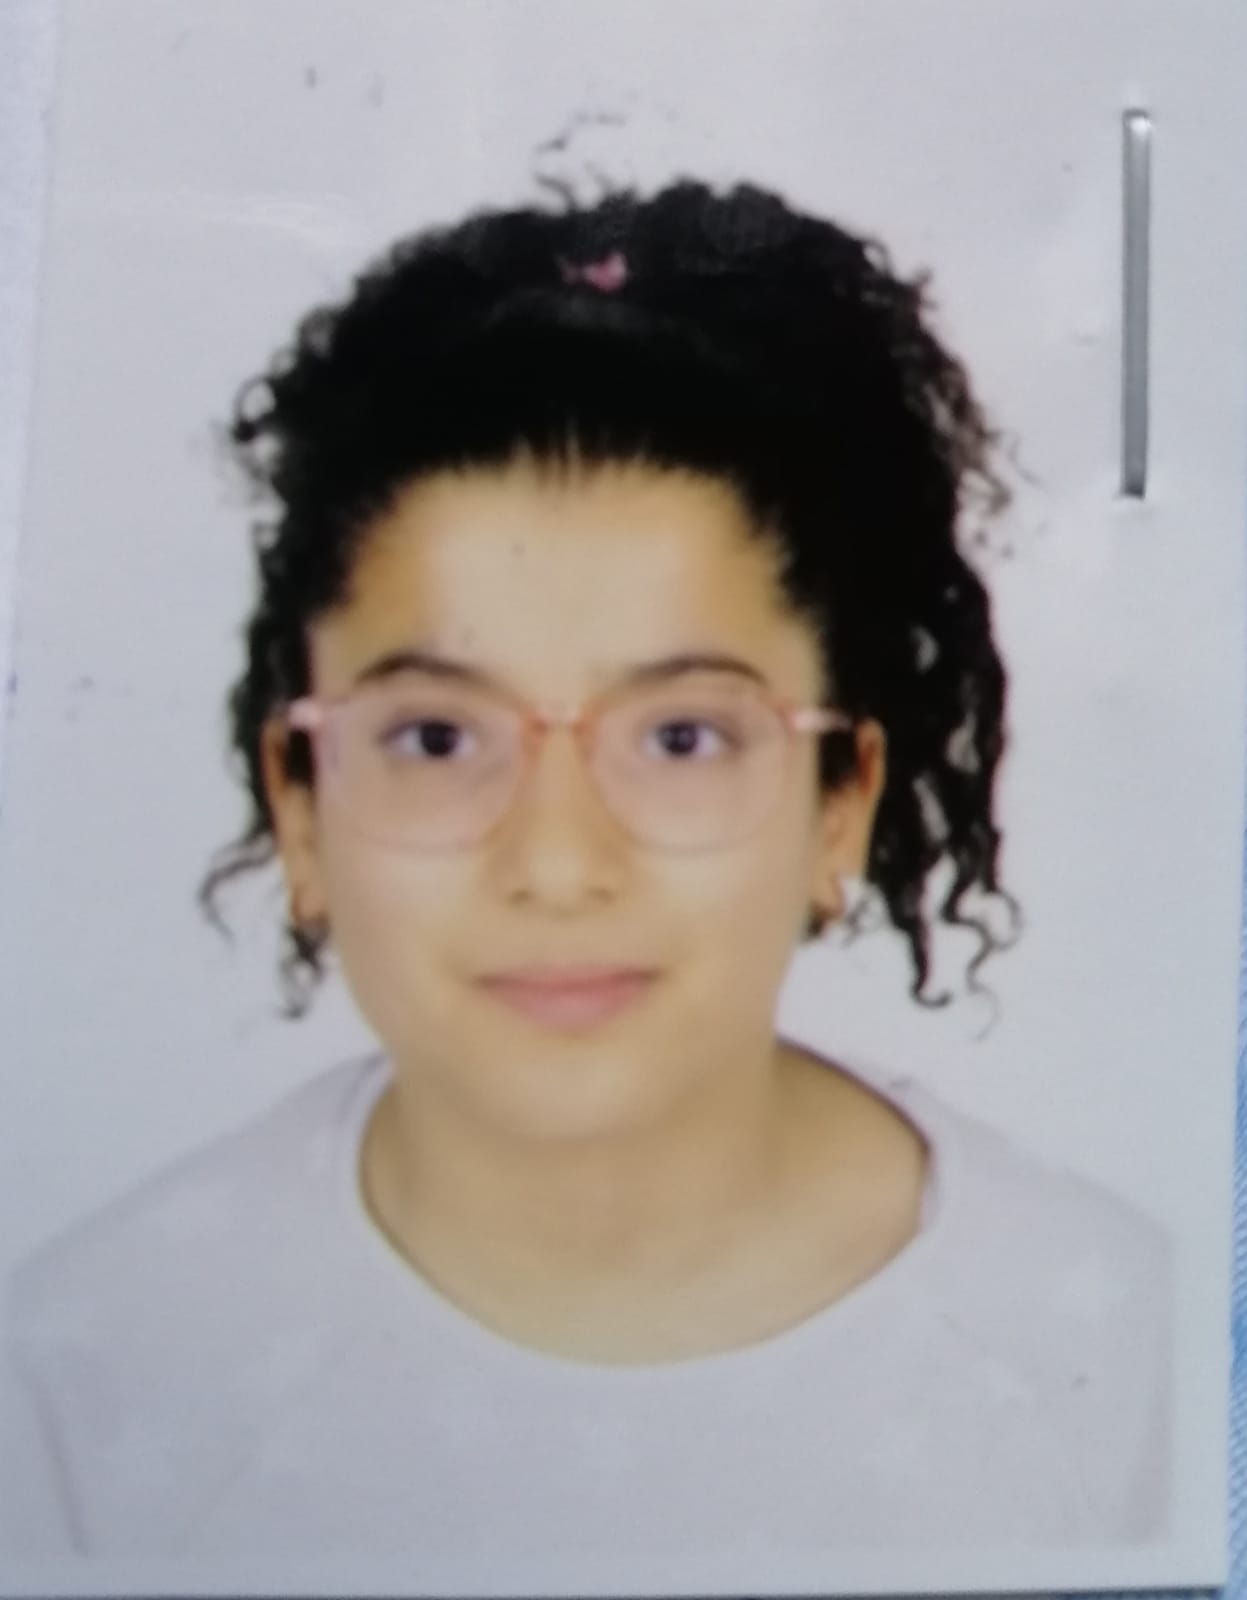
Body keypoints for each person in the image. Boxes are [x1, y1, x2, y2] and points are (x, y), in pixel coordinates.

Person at [0, 178, 1170, 1578]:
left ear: (841, 803)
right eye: (439, 738)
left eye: (681, 737)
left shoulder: (1126, 1361)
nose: (557, 865)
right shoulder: (78, 1385)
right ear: (299, 807)